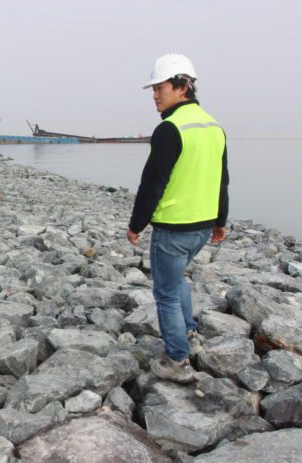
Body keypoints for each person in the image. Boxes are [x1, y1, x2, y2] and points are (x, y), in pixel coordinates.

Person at [127, 53, 229, 383]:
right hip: (201, 228)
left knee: (167, 294)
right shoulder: (213, 126)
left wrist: (136, 224)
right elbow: (222, 180)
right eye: (154, 89)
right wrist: (220, 220)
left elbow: (152, 183)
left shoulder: (170, 129)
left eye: (160, 88)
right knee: (177, 281)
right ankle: (190, 334)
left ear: (182, 87)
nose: (155, 95)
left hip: (173, 229)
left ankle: (177, 359)